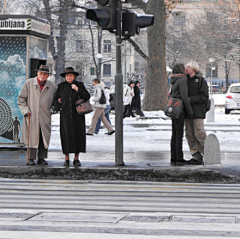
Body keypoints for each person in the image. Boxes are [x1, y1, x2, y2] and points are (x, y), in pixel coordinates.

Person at [17, 65, 56, 166]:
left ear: (47, 76)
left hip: (45, 116)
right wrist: (25, 111)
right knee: (33, 137)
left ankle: (42, 158)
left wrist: (55, 106)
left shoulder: (52, 86)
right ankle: (31, 158)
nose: (42, 76)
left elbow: (55, 101)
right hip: (32, 115)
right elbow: (21, 99)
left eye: (45, 74)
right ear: (37, 74)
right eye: (40, 73)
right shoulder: (29, 83)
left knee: (43, 137)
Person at [53, 67, 90, 167]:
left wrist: (77, 89)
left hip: (77, 115)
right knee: (66, 136)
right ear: (65, 77)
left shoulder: (79, 85)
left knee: (78, 136)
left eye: (71, 75)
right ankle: (66, 158)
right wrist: (59, 106)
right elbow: (55, 100)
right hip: (65, 116)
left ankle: (76, 158)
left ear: (74, 76)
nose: (69, 77)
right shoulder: (61, 86)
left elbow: (87, 96)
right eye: (67, 75)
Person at [185, 61, 209, 165]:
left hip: (198, 111)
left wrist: (190, 99)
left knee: (200, 133)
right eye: (186, 67)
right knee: (189, 134)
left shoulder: (200, 81)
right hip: (187, 111)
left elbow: (204, 97)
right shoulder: (184, 80)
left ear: (194, 69)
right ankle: (195, 155)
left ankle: (208, 153)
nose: (186, 69)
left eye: (189, 67)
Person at [169, 64, 193, 166]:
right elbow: (184, 96)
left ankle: (173, 156)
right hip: (180, 109)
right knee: (179, 134)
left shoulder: (173, 80)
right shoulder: (182, 80)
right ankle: (179, 157)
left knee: (174, 133)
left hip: (173, 108)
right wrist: (190, 111)